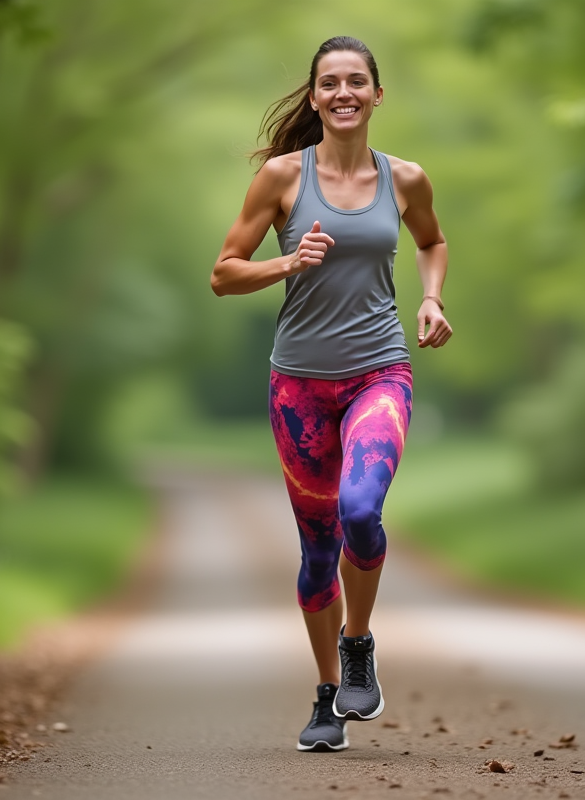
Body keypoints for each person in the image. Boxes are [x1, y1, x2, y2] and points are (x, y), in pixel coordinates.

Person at [210, 35, 451, 753]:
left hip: (380, 371)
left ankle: (357, 644)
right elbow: (224, 273)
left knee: (360, 510)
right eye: (329, 83)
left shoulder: (406, 178)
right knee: (318, 555)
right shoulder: (284, 178)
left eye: (357, 82)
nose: (343, 93)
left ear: (377, 95)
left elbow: (432, 242)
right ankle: (326, 697)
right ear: (314, 98)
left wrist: (432, 298)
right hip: (300, 390)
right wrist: (288, 259)